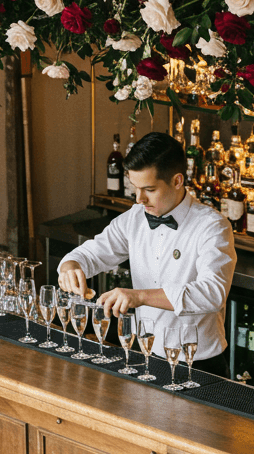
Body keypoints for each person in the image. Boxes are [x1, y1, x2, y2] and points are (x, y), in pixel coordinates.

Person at [58, 131, 237, 376]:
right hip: (145, 354)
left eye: (149, 189)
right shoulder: (134, 218)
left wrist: (140, 296)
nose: (140, 199)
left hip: (198, 363)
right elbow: (92, 253)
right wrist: (71, 265)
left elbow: (212, 293)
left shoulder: (212, 226)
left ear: (177, 181)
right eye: (135, 188)